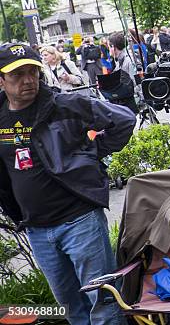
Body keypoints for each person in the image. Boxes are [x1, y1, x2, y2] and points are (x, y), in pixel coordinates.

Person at [0, 42, 135, 325]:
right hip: (37, 230)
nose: (28, 80)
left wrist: (90, 153)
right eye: (18, 74)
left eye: (33, 72)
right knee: (71, 307)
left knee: (104, 302)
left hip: (79, 221)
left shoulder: (65, 105)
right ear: (1, 80)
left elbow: (123, 119)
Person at [107, 32, 138, 114]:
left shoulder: (128, 60)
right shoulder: (120, 59)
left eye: (109, 47)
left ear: (113, 47)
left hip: (132, 102)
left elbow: (136, 83)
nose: (108, 49)